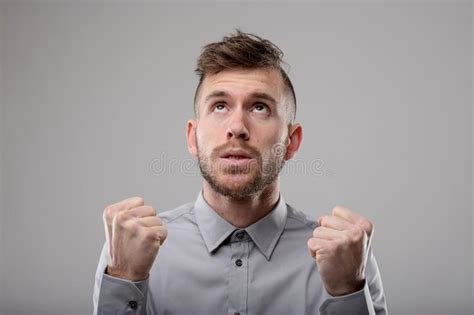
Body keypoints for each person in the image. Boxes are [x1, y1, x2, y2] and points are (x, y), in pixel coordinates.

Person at [92, 30, 387, 315]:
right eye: (220, 106)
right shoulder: (127, 249)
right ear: (192, 138)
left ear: (291, 142)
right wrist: (124, 279)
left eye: (259, 107)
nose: (237, 127)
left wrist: (347, 293)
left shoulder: (348, 257)